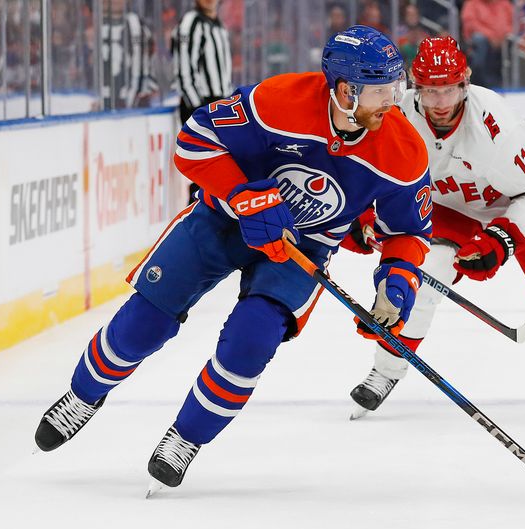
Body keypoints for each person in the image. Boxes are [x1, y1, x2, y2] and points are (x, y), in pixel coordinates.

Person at [33, 25, 433, 491]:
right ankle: (84, 396)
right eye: (381, 90)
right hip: (221, 221)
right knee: (144, 323)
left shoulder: (404, 150)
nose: (393, 100)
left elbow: (408, 232)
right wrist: (244, 196)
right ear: (345, 89)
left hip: (300, 249)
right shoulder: (278, 101)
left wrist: (398, 283)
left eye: (396, 87)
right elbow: (193, 142)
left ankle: (185, 438)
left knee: (251, 341)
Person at [343, 37, 525, 416]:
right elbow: (369, 169)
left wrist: (501, 238)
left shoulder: (496, 129)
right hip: (448, 206)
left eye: (448, 90)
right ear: (414, 86)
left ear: (464, 83)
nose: (439, 103)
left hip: (519, 200)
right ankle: (385, 371)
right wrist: (363, 215)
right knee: (421, 278)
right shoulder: (397, 116)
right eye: (430, 91)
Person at [171, 0, 233, 204]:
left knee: (220, 169)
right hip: (202, 107)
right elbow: (183, 71)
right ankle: (198, 217)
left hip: (220, 105)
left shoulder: (218, 25)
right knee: (203, 169)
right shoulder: (191, 23)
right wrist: (198, 110)